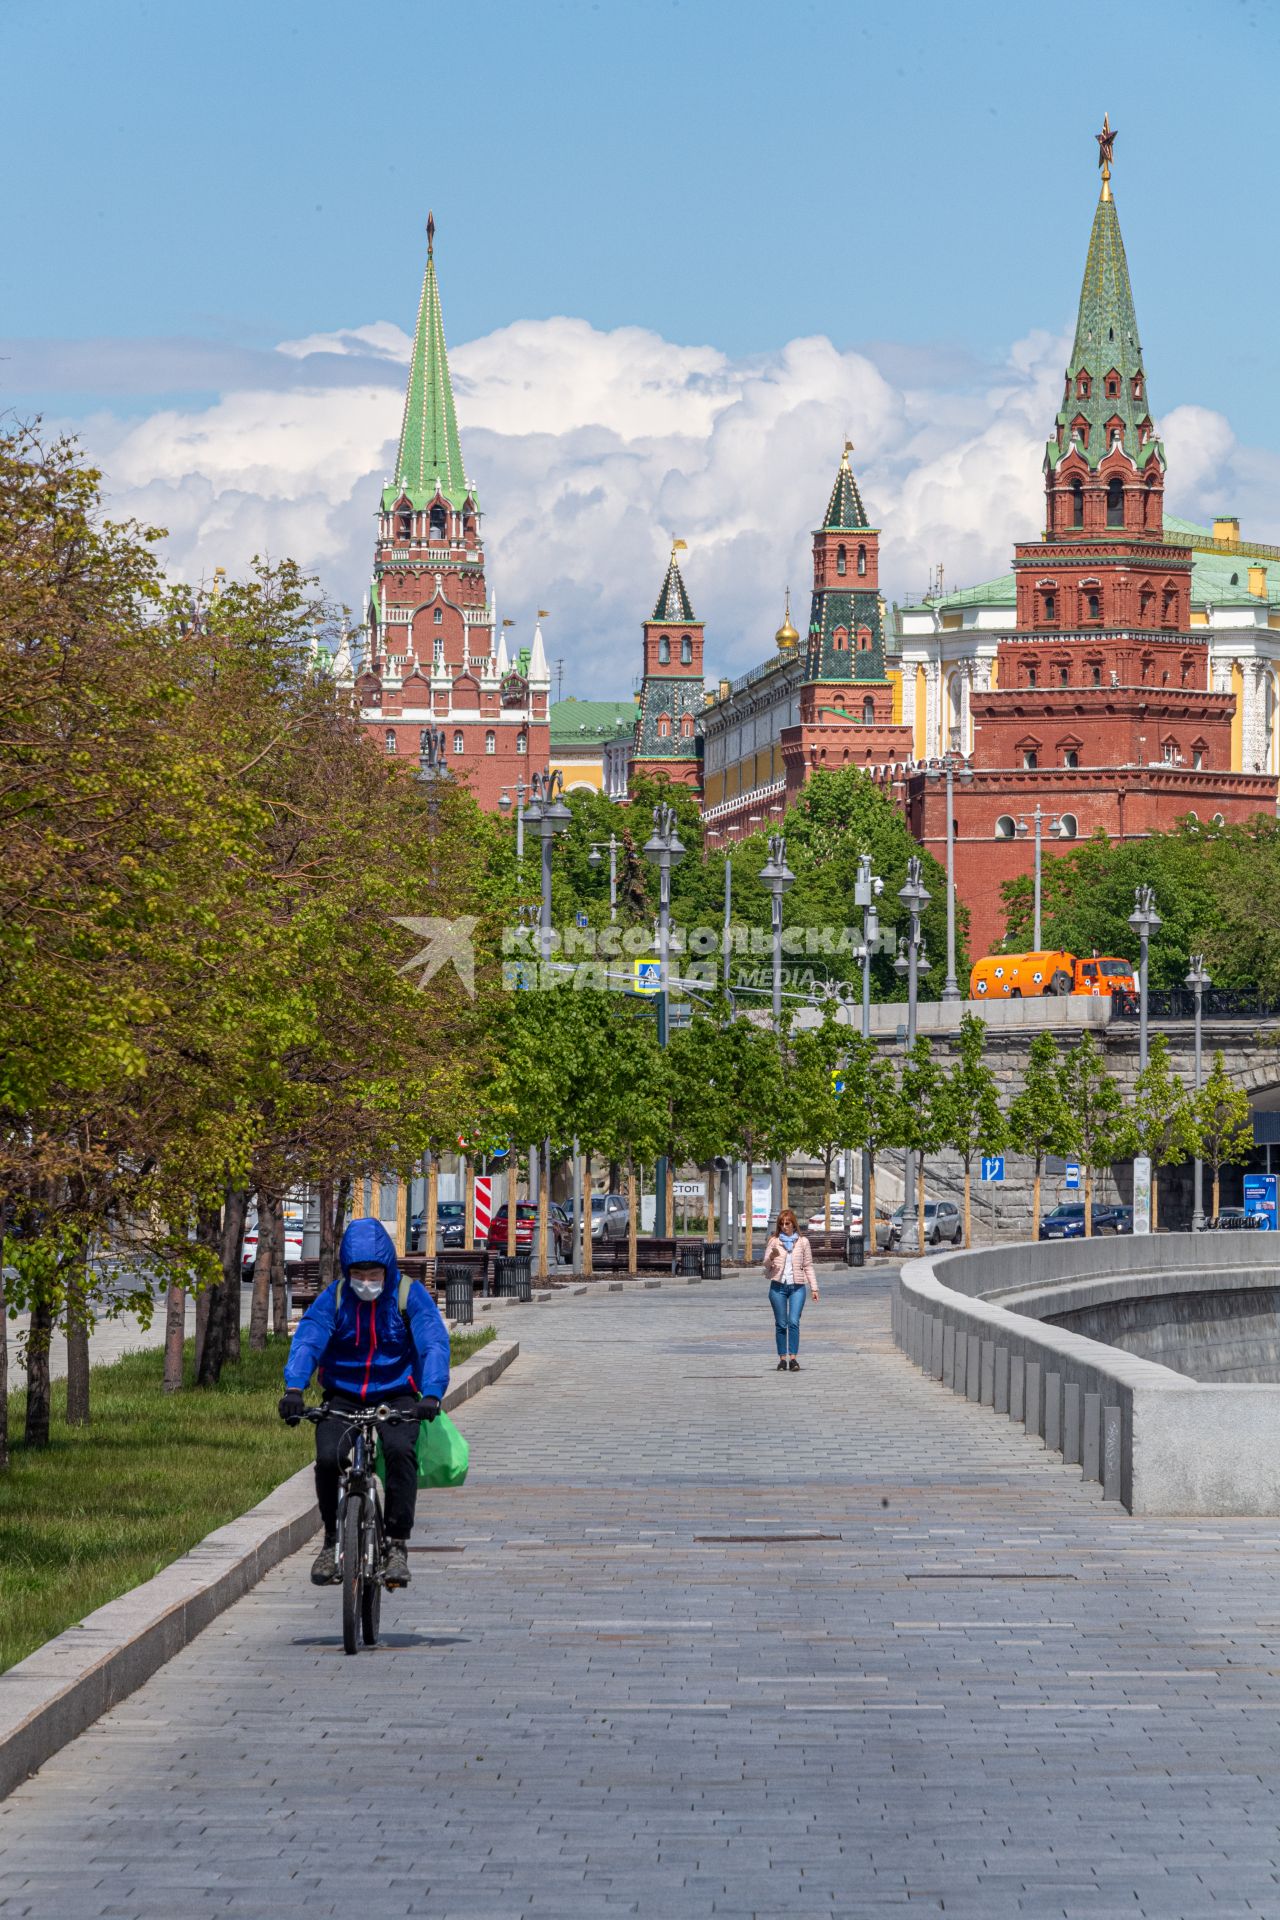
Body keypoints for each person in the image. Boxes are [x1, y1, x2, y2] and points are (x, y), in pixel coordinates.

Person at [278, 1216, 450, 1588]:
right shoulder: (336, 1298)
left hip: (395, 1394)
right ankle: (330, 1541)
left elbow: (433, 1341)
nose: (367, 1282)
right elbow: (309, 1339)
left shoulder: (408, 1295)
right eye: (360, 1274)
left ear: (387, 1268)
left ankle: (397, 1545)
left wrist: (432, 1393)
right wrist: (294, 1389)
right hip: (344, 1393)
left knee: (401, 1452)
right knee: (327, 1459)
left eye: (374, 1274)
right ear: (347, 1271)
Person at [762, 1207, 819, 1372]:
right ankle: (782, 1359)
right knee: (781, 1324)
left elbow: (808, 1265)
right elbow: (766, 1264)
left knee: (793, 1322)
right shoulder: (774, 1241)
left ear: (794, 1224)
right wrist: (771, 1258)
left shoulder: (802, 1242)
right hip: (777, 1287)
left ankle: (793, 1358)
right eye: (782, 1224)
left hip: (797, 1288)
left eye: (787, 1223)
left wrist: (814, 1288)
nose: (784, 1226)